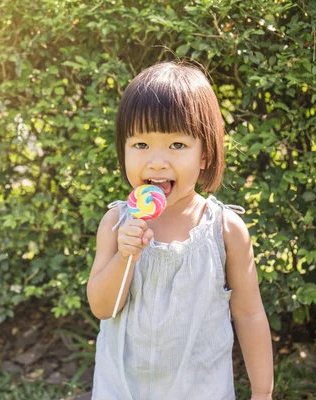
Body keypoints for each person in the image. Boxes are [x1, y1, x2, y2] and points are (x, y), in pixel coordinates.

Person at [87, 61, 274, 399]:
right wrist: (125, 255)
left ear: (204, 155)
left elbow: (248, 313)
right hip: (123, 389)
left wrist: (262, 392)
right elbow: (103, 308)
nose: (157, 161)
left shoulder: (225, 229)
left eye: (177, 145)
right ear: (124, 150)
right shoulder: (116, 223)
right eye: (141, 145)